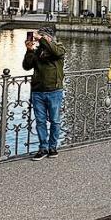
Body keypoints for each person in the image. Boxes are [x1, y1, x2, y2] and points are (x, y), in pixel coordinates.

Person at [23, 27, 66, 161]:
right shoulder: (38, 51)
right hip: (38, 91)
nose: (39, 39)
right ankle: (43, 148)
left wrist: (42, 39)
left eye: (43, 37)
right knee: (40, 121)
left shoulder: (59, 48)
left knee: (55, 121)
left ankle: (53, 147)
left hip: (54, 90)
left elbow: (54, 51)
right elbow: (27, 66)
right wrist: (29, 50)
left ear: (49, 38)